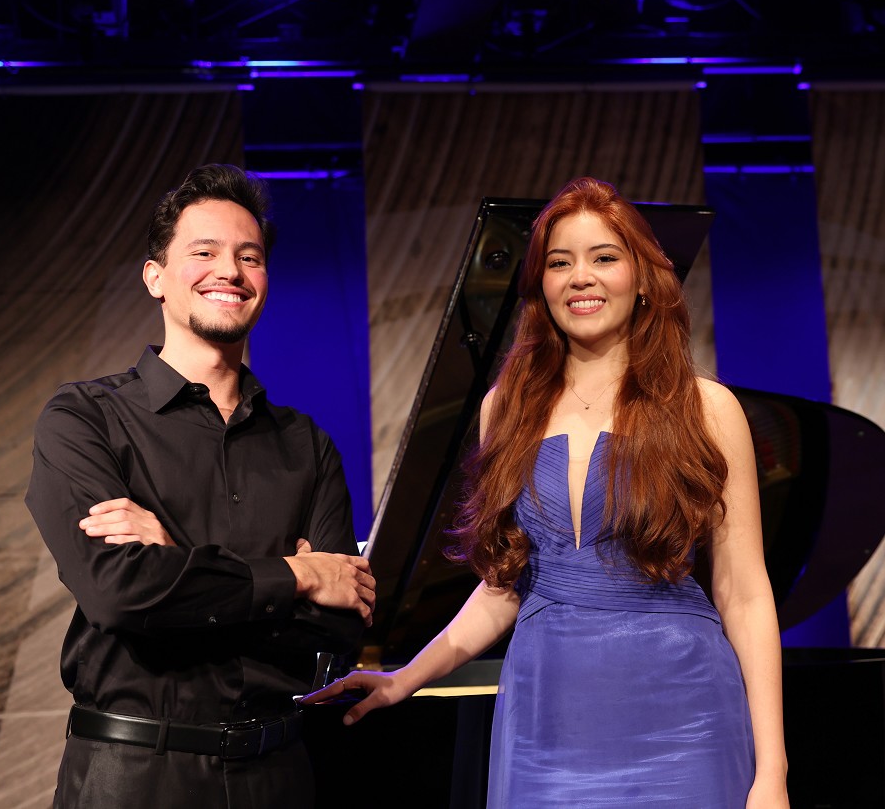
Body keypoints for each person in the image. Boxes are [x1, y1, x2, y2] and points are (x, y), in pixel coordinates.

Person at [306, 176, 789, 807]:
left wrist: (773, 770)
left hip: (686, 717)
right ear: (540, 286)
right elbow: (506, 585)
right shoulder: (504, 410)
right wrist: (406, 678)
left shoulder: (707, 409)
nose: (580, 277)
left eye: (604, 258)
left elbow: (744, 593)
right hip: (545, 722)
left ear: (643, 278)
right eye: (560, 263)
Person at [24, 163, 376, 809]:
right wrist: (296, 576)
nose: (230, 271)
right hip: (134, 774)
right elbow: (119, 594)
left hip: (279, 773)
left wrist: (173, 560)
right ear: (155, 276)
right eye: (204, 252)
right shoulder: (83, 418)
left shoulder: (307, 443)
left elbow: (336, 630)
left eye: (250, 257)